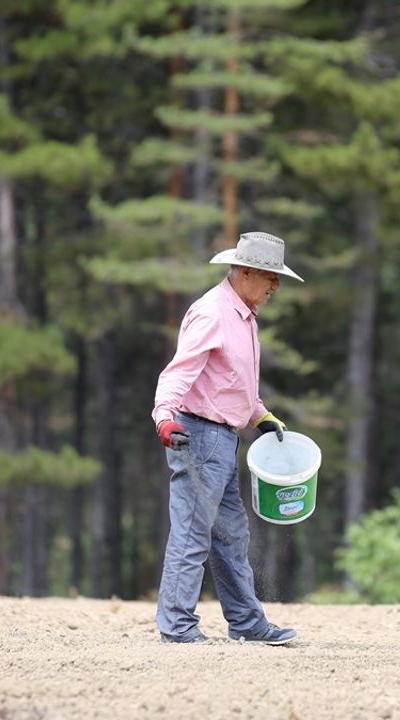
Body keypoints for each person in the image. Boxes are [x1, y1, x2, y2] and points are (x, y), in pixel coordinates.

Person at [151, 230, 304, 645]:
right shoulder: (213, 313)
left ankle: (247, 623)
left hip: (222, 439)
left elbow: (231, 383)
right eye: (271, 277)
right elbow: (178, 373)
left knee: (230, 534)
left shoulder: (243, 314)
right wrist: (165, 419)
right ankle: (178, 628)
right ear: (247, 271)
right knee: (192, 533)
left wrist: (261, 415)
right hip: (198, 435)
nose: (276, 286)